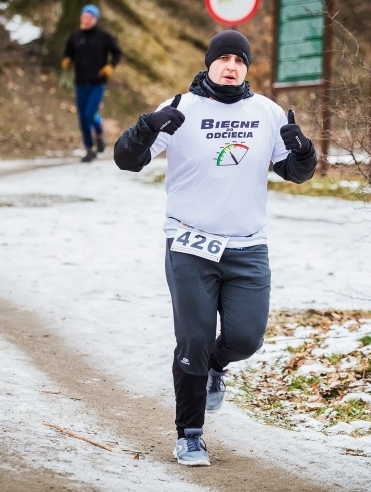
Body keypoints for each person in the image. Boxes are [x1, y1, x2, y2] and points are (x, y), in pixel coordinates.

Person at [113, 30, 317, 466]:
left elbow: (296, 173)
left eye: (239, 60)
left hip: (247, 246)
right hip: (189, 242)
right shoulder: (181, 108)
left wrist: (304, 151)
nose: (231, 66)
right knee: (194, 338)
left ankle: (215, 368)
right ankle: (189, 433)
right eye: (223, 58)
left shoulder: (266, 112)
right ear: (208, 64)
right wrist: (146, 126)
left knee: (246, 338)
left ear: (247, 68)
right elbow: (127, 160)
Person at [62, 4, 121, 162]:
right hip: (80, 82)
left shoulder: (103, 37)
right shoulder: (75, 37)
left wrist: (110, 66)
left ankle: (99, 133)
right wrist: (67, 60)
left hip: (97, 82)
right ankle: (89, 149)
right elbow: (68, 53)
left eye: (89, 18)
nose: (86, 21)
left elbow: (117, 53)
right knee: (82, 117)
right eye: (84, 17)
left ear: (95, 19)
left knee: (90, 114)